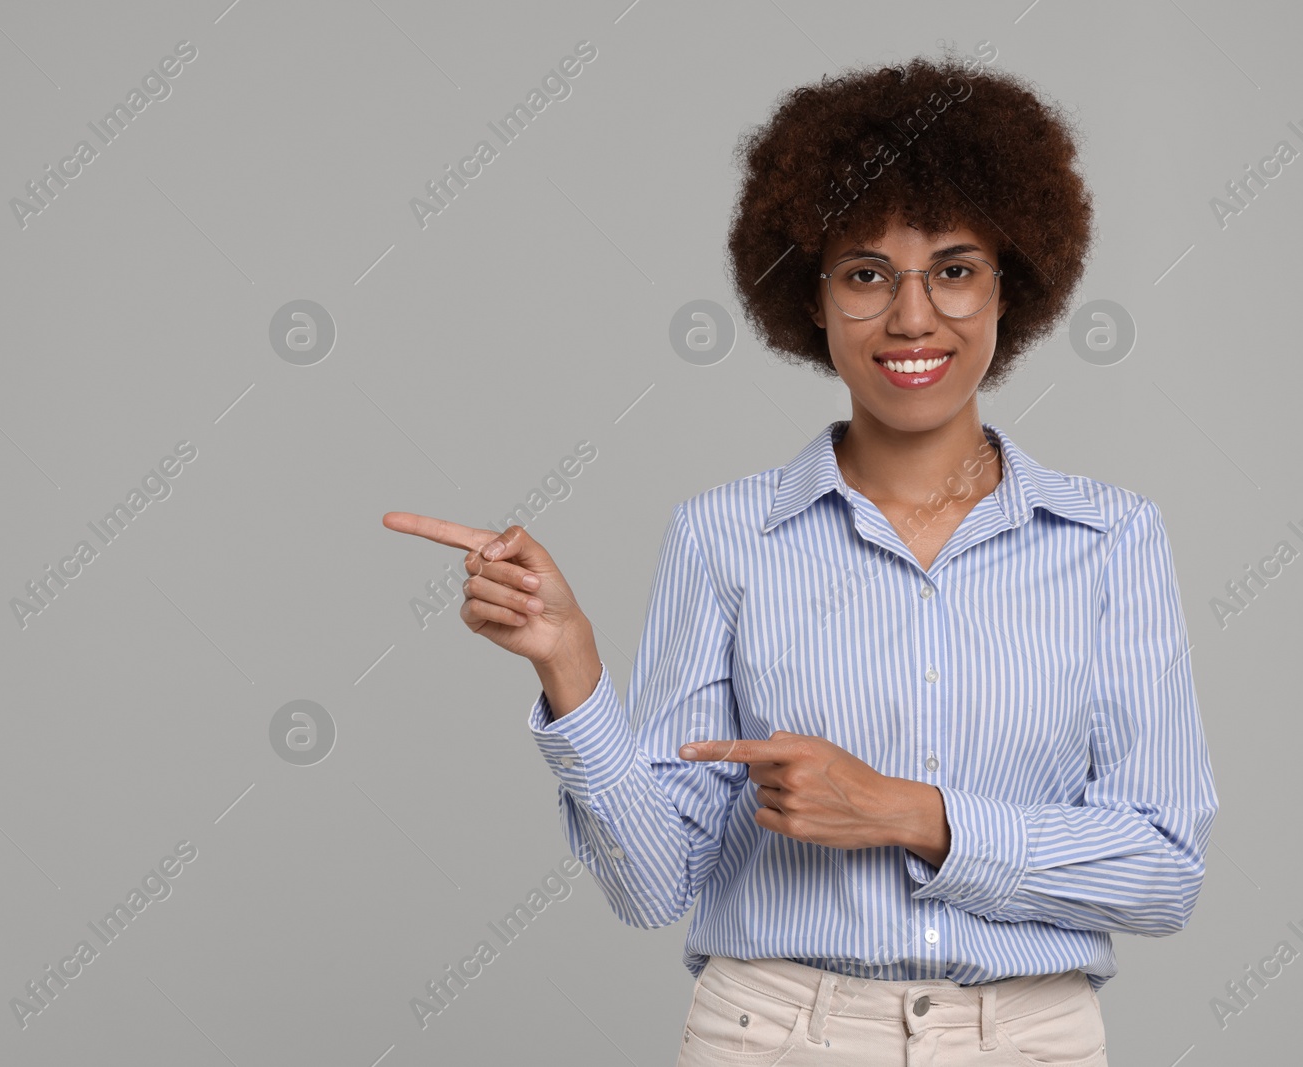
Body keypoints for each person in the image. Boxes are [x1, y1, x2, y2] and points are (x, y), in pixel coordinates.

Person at [384, 52, 1217, 1066]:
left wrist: (909, 813)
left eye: (953, 269)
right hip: (774, 1038)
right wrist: (571, 665)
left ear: (1012, 284)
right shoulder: (723, 537)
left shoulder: (1112, 540)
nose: (913, 317)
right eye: (866, 273)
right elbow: (650, 884)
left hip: (1029, 1041)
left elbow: (1163, 868)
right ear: (812, 298)